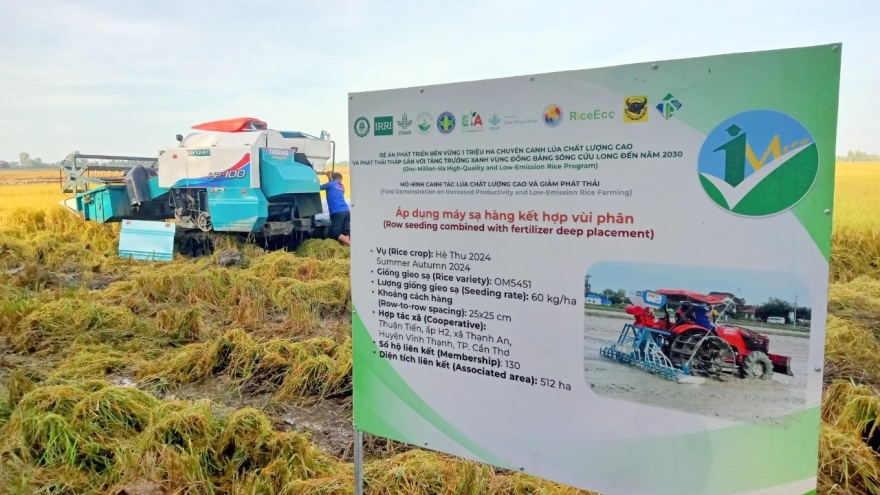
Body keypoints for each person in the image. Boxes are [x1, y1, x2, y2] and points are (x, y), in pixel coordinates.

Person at [320, 171, 350, 246]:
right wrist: (330, 178)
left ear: (333, 178)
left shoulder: (331, 184)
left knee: (334, 232)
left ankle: (351, 245)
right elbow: (333, 185)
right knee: (345, 231)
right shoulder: (342, 186)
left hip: (337, 212)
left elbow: (319, 187)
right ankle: (346, 247)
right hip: (346, 211)